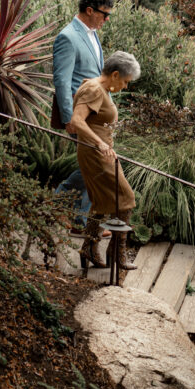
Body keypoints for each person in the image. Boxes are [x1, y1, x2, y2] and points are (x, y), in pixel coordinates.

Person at [70, 51, 141, 272]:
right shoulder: (94, 89)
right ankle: (116, 252)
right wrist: (99, 143)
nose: (126, 87)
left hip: (101, 152)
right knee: (125, 198)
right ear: (115, 74)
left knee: (101, 201)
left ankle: (89, 248)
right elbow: (77, 121)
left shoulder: (99, 87)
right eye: (126, 82)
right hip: (96, 154)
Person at [52, 0, 114, 234]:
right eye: (104, 15)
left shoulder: (92, 35)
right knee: (96, 163)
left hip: (97, 114)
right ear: (90, 10)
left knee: (94, 163)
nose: (106, 20)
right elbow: (62, 81)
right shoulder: (68, 37)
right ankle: (59, 197)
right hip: (81, 115)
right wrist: (69, 118)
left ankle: (79, 221)